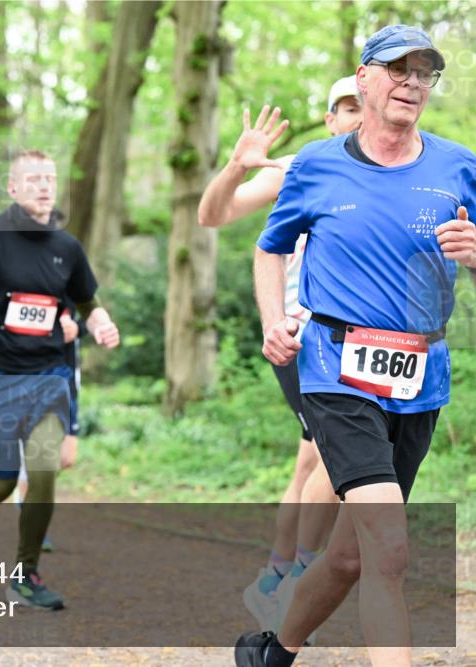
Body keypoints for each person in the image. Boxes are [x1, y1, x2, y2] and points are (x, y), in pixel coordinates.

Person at [235, 25, 475, 667]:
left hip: (420, 373)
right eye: (399, 69)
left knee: (349, 554)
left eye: (424, 73)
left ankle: (271, 649)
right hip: (335, 370)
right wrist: (271, 320)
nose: (412, 83)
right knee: (389, 549)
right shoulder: (317, 163)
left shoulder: (459, 166)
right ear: (364, 78)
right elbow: (269, 247)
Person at [198, 76, 362, 632]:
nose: (358, 117)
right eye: (345, 109)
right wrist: (237, 168)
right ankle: (296, 582)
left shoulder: (401, 169)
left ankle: (274, 575)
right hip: (301, 336)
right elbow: (213, 216)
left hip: (366, 342)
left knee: (309, 462)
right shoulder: (303, 166)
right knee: (334, 457)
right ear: (331, 118)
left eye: (365, 107)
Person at [0, 149, 120, 610]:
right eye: (32, 179)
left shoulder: (66, 248)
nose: (43, 186)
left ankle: (25, 574)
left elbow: (88, 303)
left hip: (48, 379)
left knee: (43, 470)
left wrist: (100, 323)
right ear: (12, 188)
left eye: (49, 178)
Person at [15, 302, 84, 552]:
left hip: (62, 385)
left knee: (64, 458)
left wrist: (77, 327)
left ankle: (26, 498)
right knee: (33, 458)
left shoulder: (71, 288)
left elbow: (93, 321)